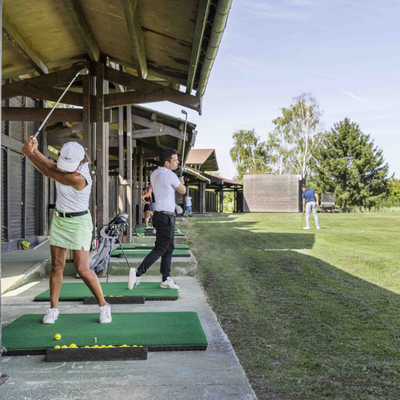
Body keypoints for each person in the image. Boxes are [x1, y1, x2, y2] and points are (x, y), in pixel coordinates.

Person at [21, 138, 111, 324]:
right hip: (60, 221)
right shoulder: (66, 167)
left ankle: (103, 305)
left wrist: (29, 153)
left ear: (80, 162)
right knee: (56, 265)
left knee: (82, 268)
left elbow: (48, 171)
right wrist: (34, 150)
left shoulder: (79, 178)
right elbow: (52, 165)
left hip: (79, 223)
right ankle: (53, 309)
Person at [132, 148, 186, 289]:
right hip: (165, 217)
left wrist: (177, 182)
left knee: (169, 247)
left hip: (160, 215)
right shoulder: (169, 174)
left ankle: (165, 278)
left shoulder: (155, 173)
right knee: (161, 248)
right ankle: (138, 273)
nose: (178, 162)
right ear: (167, 163)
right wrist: (181, 182)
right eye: (175, 160)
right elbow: (183, 190)